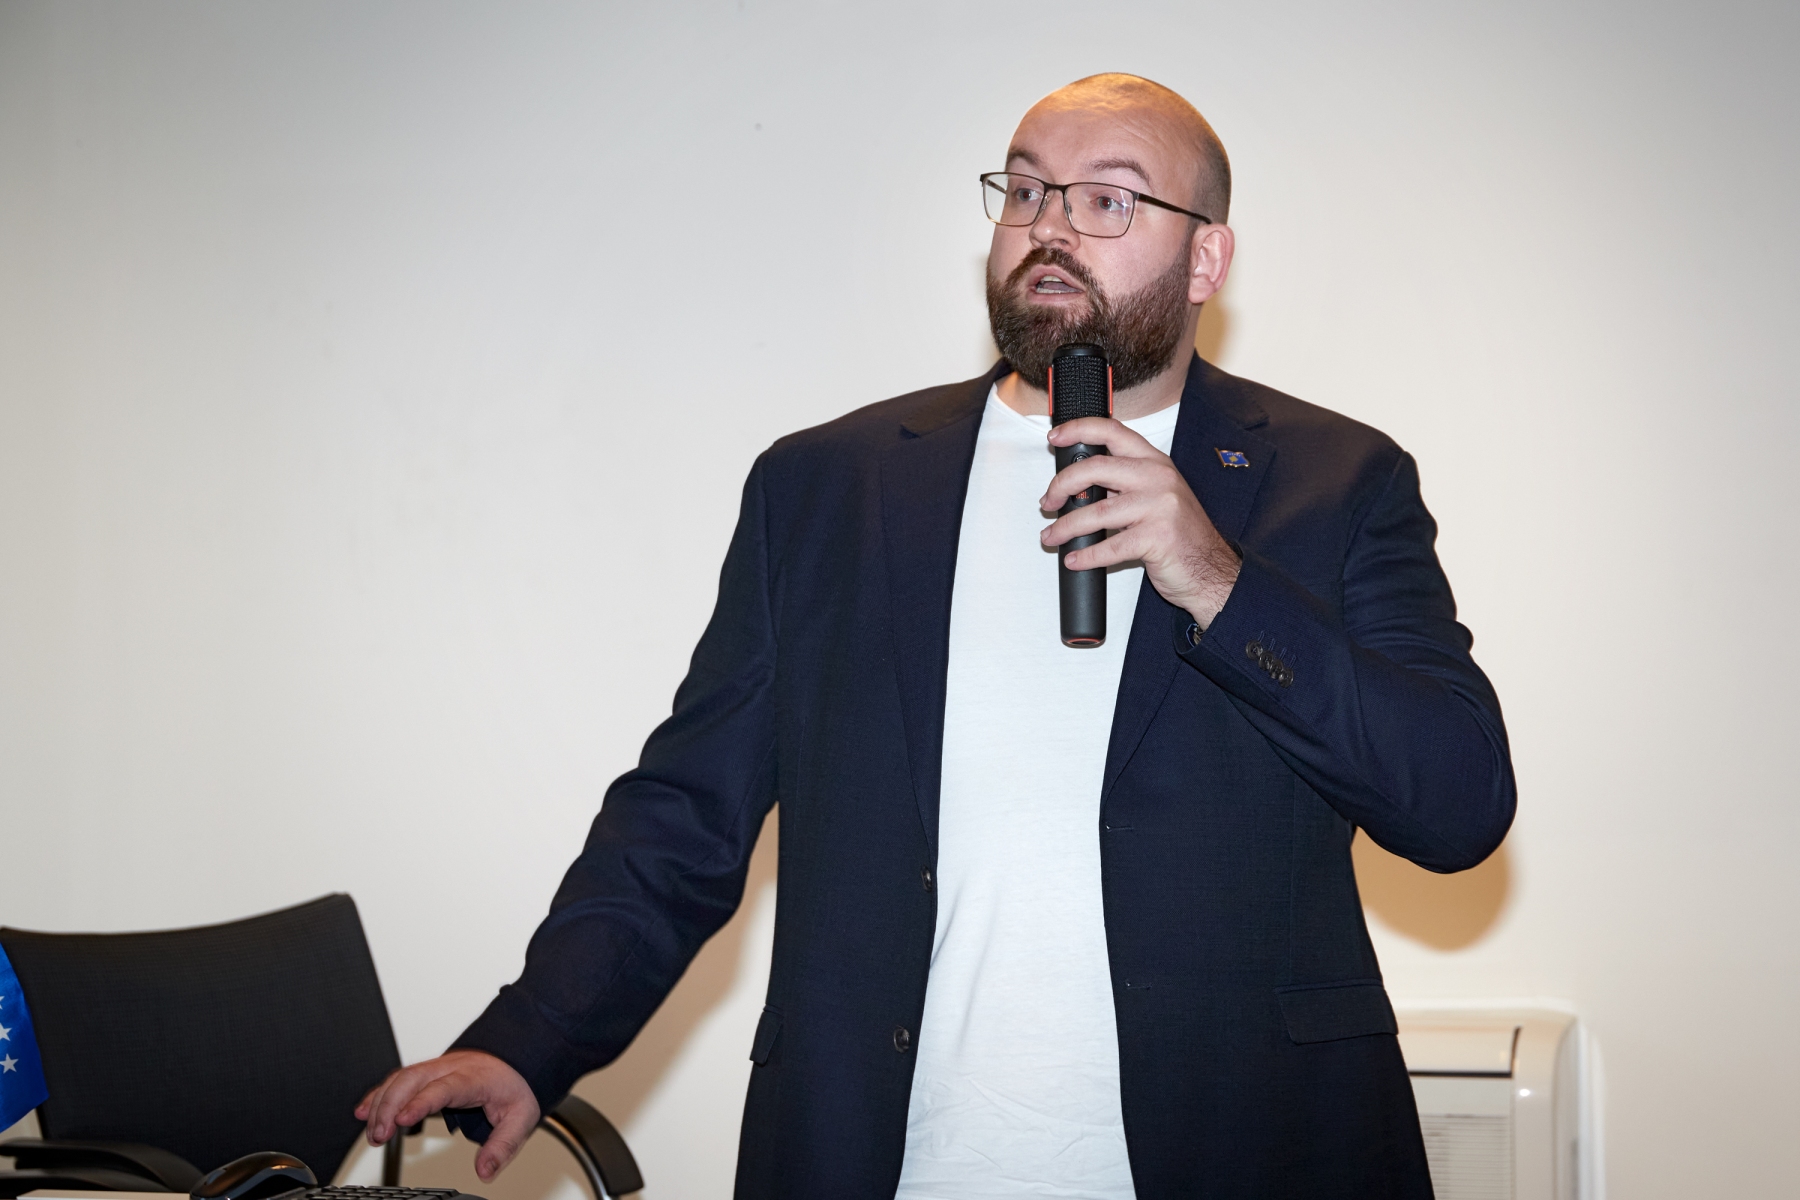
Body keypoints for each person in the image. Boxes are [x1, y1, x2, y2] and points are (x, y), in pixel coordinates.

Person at [358, 73, 1514, 1198]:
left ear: (1206, 256)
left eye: (1108, 199)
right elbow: (686, 812)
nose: (1049, 226)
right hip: (894, 1158)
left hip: (1247, 1148)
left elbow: (1458, 803)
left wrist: (1216, 579)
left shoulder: (1335, 482)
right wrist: (530, 1038)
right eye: (1026, 190)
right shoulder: (829, 486)